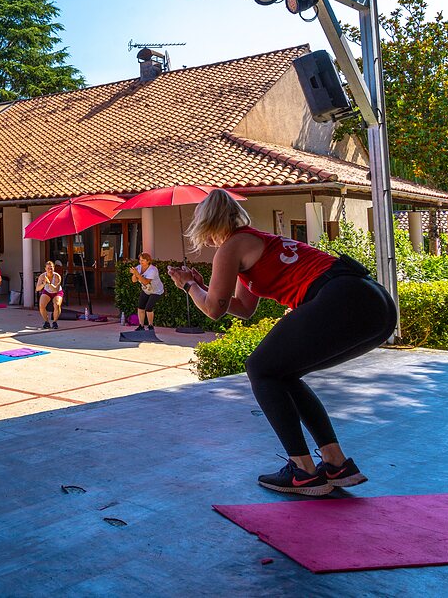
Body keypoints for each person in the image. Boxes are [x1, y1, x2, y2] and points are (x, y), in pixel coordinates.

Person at [167, 189, 396, 497]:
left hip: (342, 297)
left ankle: (303, 471)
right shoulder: (255, 241)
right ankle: (336, 464)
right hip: (374, 304)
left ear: (208, 224)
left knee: (259, 368)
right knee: (282, 373)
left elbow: (213, 309)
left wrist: (188, 285)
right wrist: (203, 287)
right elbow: (243, 308)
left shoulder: (231, 245)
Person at [129, 252, 164, 331]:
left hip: (156, 291)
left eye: (143, 260)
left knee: (148, 308)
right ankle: (141, 326)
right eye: (140, 260)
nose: (140, 262)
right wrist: (134, 274)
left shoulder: (153, 270)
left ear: (148, 261)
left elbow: (146, 282)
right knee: (140, 307)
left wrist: (137, 274)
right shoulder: (138, 267)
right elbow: (134, 280)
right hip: (146, 290)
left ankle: (150, 326)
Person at [36, 261, 64, 329]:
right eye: (48, 268)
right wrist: (43, 284)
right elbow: (37, 289)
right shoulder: (42, 276)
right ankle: (46, 322)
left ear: (54, 268)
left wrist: (48, 283)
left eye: (51, 268)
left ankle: (55, 322)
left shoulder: (57, 276)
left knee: (57, 305)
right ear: (45, 269)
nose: (50, 270)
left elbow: (55, 290)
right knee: (41, 305)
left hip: (57, 292)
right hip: (47, 291)